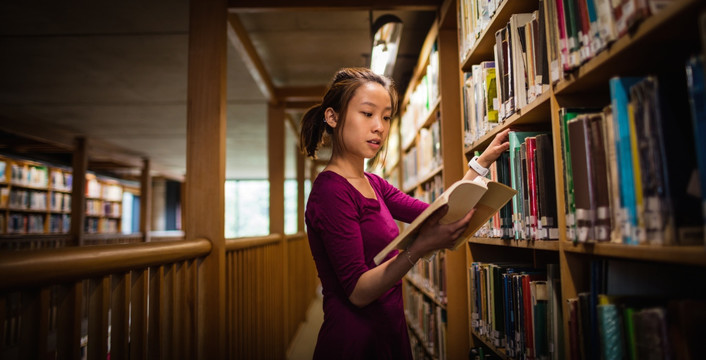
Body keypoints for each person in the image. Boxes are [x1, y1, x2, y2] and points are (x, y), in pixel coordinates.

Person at [299, 67, 509, 359]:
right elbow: (358, 292)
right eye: (367, 113)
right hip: (355, 342)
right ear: (333, 117)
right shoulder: (330, 192)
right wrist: (419, 248)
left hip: (390, 331)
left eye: (386, 117)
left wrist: (481, 163)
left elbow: (439, 212)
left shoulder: (374, 183)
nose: (380, 127)